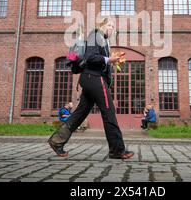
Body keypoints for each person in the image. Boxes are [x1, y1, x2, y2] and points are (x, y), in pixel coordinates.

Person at [48, 17, 134, 159]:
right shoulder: (96, 35)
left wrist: (111, 60)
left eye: (114, 26)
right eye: (110, 25)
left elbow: (95, 59)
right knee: (109, 112)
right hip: (94, 79)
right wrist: (108, 59)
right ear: (102, 25)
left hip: (89, 79)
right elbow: (90, 57)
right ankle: (117, 150)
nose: (112, 28)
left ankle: (57, 141)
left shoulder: (102, 40)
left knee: (79, 114)